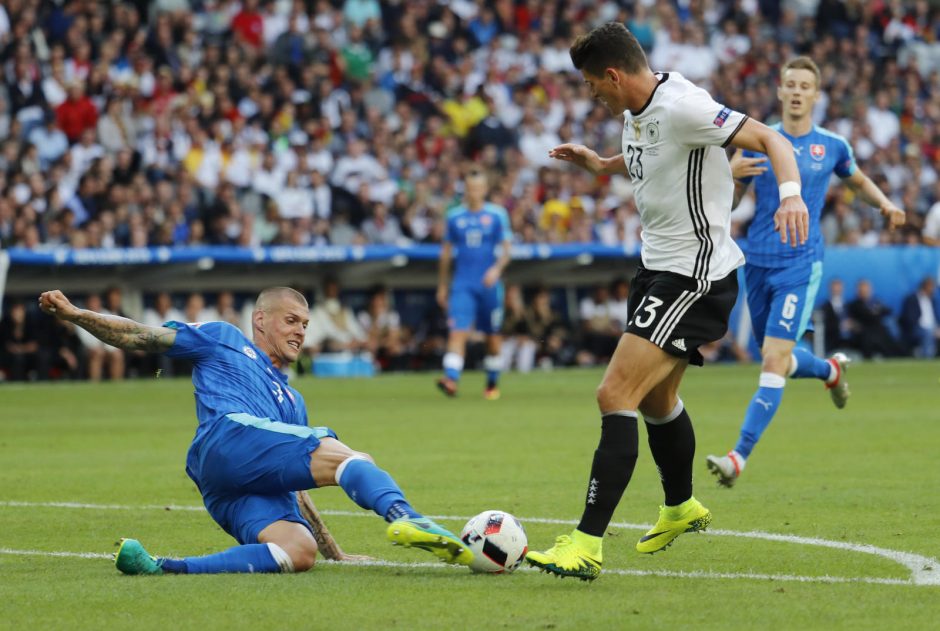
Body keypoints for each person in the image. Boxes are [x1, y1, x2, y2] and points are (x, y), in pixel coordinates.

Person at [525, 22, 809, 581]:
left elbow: (774, 139)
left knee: (614, 393)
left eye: (590, 85)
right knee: (657, 402)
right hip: (654, 269)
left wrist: (792, 196)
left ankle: (585, 544)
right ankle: (682, 507)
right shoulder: (637, 111)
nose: (591, 95)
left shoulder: (685, 106)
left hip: (693, 275)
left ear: (612, 74)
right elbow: (651, 158)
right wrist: (599, 165)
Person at [37, 287, 473, 575]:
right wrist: (76, 314)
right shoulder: (223, 338)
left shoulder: (293, 400)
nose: (301, 330)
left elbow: (299, 481)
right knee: (352, 458)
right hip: (226, 437)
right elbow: (139, 337)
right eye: (291, 320)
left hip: (230, 487)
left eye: (305, 323)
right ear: (261, 319)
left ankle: (162, 567)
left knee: (296, 551)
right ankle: (406, 518)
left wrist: (332, 552)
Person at [706, 57, 906, 488]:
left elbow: (857, 182)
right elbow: (730, 202)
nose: (796, 92)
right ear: (779, 92)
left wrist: (885, 204)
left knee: (775, 359)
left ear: (815, 95)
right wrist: (730, 174)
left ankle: (738, 456)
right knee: (776, 358)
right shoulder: (759, 139)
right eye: (790, 85)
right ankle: (830, 371)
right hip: (757, 263)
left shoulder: (831, 145)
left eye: (804, 86)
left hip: (801, 263)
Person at [435, 169, 511, 400]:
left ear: (485, 190)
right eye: (469, 188)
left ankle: (491, 383)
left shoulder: (497, 215)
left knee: (492, 339)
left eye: (477, 188)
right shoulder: (454, 217)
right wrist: (442, 285)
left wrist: (496, 269)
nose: (473, 192)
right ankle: (451, 379)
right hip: (462, 284)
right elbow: (446, 254)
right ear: (465, 190)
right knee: (457, 332)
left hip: (489, 285)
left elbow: (507, 250)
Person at [899, 277, 939, 358]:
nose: (933, 290)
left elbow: (934, 318)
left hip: (932, 328)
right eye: (932, 287)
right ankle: (927, 358)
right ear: (926, 286)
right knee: (927, 333)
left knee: (932, 331)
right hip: (916, 329)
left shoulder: (932, 301)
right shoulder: (912, 299)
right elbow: (909, 318)